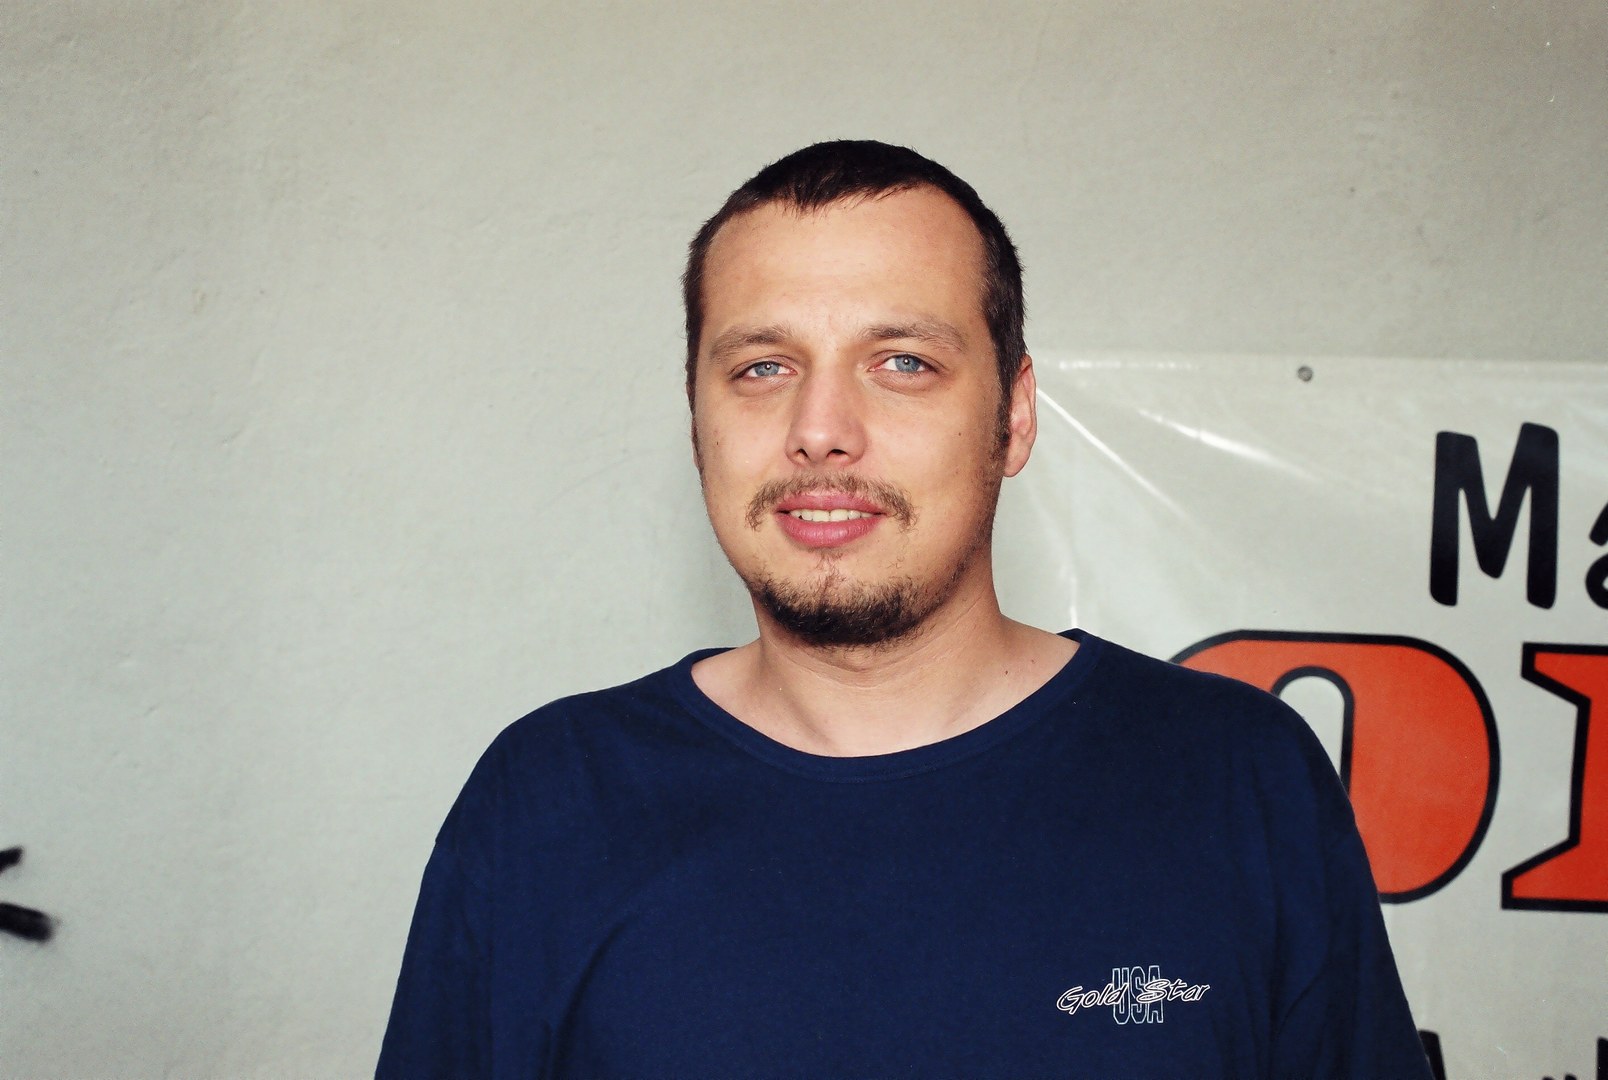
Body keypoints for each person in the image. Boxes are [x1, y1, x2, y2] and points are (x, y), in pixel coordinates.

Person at [377, 140, 1432, 1078]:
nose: (820, 429)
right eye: (762, 366)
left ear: (1014, 418)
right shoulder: (548, 804)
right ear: (696, 422)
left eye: (903, 363)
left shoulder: (1239, 777)